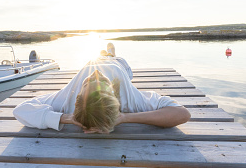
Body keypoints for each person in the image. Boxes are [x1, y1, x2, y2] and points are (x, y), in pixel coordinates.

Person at [13, 43, 191, 133]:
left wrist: (65, 117)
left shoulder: (66, 100)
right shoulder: (132, 101)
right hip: (120, 70)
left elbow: (21, 110)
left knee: (105, 61)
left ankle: (108, 53)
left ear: (78, 97)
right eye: (95, 83)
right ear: (113, 94)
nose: (96, 75)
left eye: (86, 83)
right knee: (123, 68)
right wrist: (124, 118)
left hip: (100, 65)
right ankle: (110, 54)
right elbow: (182, 113)